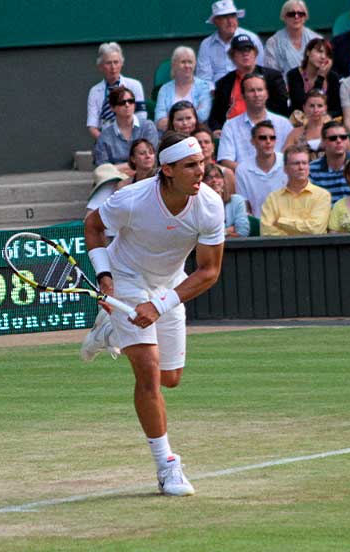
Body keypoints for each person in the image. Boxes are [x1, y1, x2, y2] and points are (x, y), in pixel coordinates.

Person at [82, 132, 225, 497]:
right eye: (191, 166)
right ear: (168, 169)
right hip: (126, 277)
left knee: (170, 378)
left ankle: (112, 332)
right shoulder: (132, 198)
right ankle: (167, 467)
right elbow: (94, 227)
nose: (201, 172)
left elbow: (209, 271)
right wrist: (105, 277)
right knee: (147, 374)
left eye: (202, 164)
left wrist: (159, 305)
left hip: (168, 284)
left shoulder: (209, 204)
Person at [208, 34, 290, 132]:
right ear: (232, 56)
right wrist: (217, 129)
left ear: (255, 53)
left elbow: (282, 108)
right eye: (240, 50)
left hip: (266, 128)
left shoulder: (272, 77)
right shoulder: (223, 83)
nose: (245, 54)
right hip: (233, 131)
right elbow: (215, 117)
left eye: (249, 50)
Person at [217, 72, 293, 171]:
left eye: (260, 90)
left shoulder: (284, 124)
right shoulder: (231, 126)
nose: (257, 95)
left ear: (266, 94)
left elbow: (291, 157)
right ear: (243, 96)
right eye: (251, 91)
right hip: (244, 181)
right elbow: (226, 161)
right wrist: (252, 174)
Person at [260, 144, 331, 236]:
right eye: (296, 163)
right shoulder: (272, 198)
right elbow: (266, 232)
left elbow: (316, 230)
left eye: (304, 163)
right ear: (285, 169)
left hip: (313, 249)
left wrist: (281, 222)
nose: (301, 167)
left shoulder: (322, 195)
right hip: (282, 250)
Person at [86, 42, 147, 140]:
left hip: (132, 137)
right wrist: (106, 141)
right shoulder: (94, 91)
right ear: (100, 66)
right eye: (108, 63)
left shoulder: (135, 85)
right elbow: (92, 126)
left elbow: (141, 116)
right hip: (105, 138)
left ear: (122, 64)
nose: (113, 67)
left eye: (116, 62)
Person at [196, 0, 265, 83]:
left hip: (248, 89)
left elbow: (261, 69)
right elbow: (203, 79)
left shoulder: (252, 38)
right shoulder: (206, 44)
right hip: (217, 93)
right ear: (216, 21)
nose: (230, 21)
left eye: (232, 16)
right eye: (225, 17)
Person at [310, 121, 350, 205]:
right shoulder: (312, 169)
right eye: (333, 138)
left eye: (343, 137)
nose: (338, 141)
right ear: (323, 142)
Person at [93, 87, 159, 169]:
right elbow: (103, 168)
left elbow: (150, 159)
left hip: (144, 176)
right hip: (115, 178)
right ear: (112, 107)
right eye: (121, 102)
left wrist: (117, 168)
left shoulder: (148, 127)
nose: (127, 105)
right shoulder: (104, 136)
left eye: (130, 101)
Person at [235, 120, 287, 216]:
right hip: (259, 227)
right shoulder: (242, 170)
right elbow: (245, 207)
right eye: (263, 138)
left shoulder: (288, 162)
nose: (268, 141)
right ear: (253, 141)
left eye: (272, 138)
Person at [154, 47, 211, 130]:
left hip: (196, 135)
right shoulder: (165, 89)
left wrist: (175, 120)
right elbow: (159, 121)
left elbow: (203, 116)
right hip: (171, 137)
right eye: (183, 62)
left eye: (190, 62)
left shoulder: (203, 86)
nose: (187, 66)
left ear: (195, 64)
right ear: (174, 65)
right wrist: (191, 116)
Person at [264, 0, 323, 76]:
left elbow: (323, 69)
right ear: (284, 17)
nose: (296, 17)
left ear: (305, 17)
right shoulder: (273, 43)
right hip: (283, 86)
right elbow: (271, 74)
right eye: (291, 14)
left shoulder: (317, 40)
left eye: (300, 14)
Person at [287, 38, 342, 119]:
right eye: (319, 52)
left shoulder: (333, 77)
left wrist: (328, 116)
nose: (323, 57)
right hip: (301, 123)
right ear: (308, 52)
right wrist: (320, 78)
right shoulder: (294, 75)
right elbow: (303, 105)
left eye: (327, 54)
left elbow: (337, 109)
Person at [204, 163, 249, 237]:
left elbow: (242, 232)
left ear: (223, 180)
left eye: (217, 176)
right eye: (208, 178)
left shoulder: (237, 201)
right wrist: (227, 231)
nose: (214, 180)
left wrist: (220, 233)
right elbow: (203, 235)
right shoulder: (199, 204)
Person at [193, 125, 236, 195]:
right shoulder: (189, 173)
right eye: (198, 143)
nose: (203, 145)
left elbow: (232, 202)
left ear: (213, 147)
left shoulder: (226, 173)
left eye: (206, 142)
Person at [284, 89, 329, 154]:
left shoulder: (333, 131)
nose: (316, 110)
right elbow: (285, 156)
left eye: (320, 106)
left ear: (325, 108)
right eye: (311, 106)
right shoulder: (295, 133)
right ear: (304, 108)